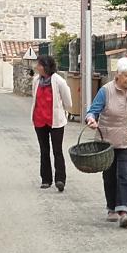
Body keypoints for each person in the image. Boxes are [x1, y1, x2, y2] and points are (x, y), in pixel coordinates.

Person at [85, 57, 127, 228]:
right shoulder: (105, 91)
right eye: (126, 76)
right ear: (117, 76)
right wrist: (91, 120)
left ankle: (123, 211)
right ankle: (111, 207)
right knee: (110, 176)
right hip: (107, 141)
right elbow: (92, 111)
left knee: (125, 174)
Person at [33, 55, 73, 192]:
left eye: (39, 65)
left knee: (57, 150)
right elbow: (35, 99)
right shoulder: (36, 81)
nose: (36, 67)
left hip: (55, 121)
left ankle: (60, 179)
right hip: (39, 120)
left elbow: (68, 102)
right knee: (44, 150)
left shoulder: (59, 81)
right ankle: (46, 179)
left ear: (45, 67)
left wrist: (62, 111)